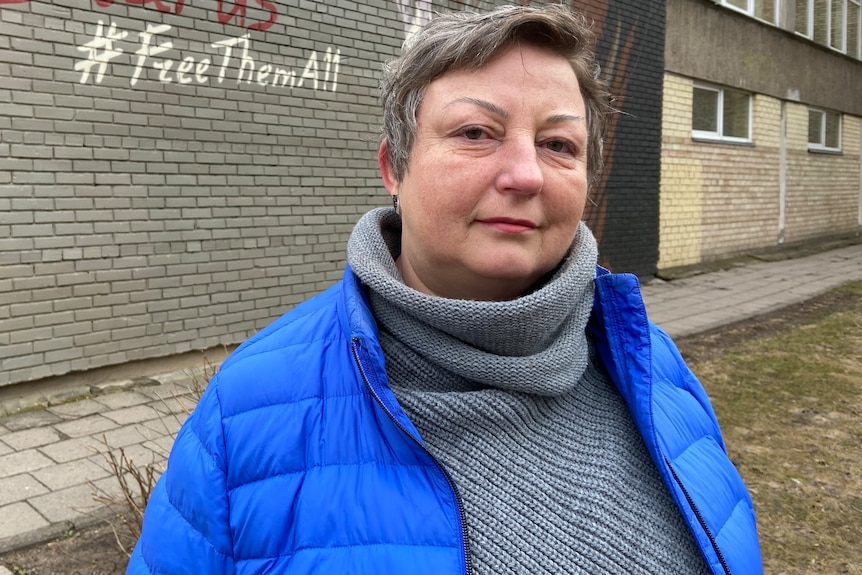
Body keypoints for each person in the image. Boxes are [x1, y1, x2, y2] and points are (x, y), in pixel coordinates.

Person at [128, 5, 763, 574]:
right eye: (475, 133)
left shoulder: (654, 368)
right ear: (392, 167)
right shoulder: (249, 410)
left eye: (558, 144)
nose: (525, 174)